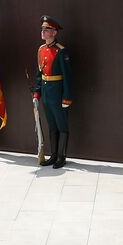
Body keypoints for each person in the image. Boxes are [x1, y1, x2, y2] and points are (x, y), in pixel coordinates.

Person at [34, 15, 72, 168]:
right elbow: (39, 74)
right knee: (51, 125)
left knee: (62, 125)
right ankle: (53, 155)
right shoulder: (41, 50)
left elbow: (68, 77)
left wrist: (66, 98)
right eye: (42, 28)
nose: (43, 31)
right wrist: (37, 93)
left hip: (58, 93)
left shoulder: (61, 51)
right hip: (46, 93)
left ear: (54, 32)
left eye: (47, 29)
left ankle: (61, 157)